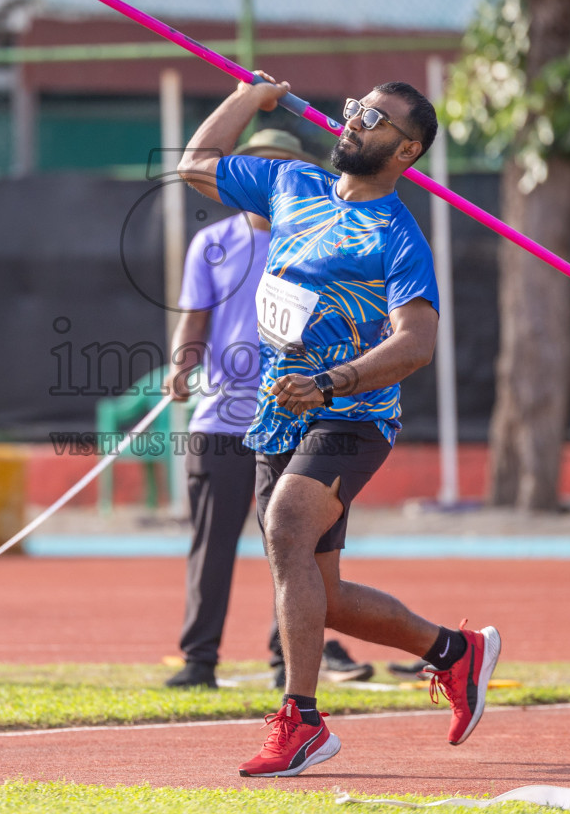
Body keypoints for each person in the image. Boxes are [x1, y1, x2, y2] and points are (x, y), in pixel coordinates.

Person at [177, 75, 502, 777]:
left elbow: (415, 344)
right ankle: (453, 652)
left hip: (350, 415)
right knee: (317, 595)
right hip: (278, 409)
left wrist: (330, 380)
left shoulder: (396, 235)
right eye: (354, 110)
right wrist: (247, 97)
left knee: (284, 528)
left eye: (374, 120)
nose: (353, 123)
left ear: (406, 150)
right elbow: (193, 166)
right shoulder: (290, 184)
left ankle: (301, 720)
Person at [164, 129, 375, 691]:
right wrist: (181, 365)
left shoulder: (318, 243)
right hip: (223, 418)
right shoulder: (212, 243)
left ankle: (288, 656)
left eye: (283, 169)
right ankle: (199, 659)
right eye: (260, 169)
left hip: (296, 415)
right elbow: (194, 317)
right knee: (211, 543)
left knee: (294, 546)